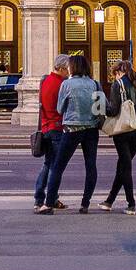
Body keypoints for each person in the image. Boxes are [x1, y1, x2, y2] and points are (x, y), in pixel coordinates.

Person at [41, 55, 103, 215]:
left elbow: (60, 109)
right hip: (91, 129)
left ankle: (48, 204)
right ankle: (85, 204)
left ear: (73, 67)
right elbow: (102, 108)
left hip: (71, 129)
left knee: (58, 167)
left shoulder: (67, 84)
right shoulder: (95, 84)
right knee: (91, 166)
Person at [100, 60, 136, 215]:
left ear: (118, 72)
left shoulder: (118, 85)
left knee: (125, 168)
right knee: (122, 166)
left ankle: (131, 204)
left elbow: (114, 110)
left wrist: (102, 106)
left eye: (114, 74)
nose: (114, 77)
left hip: (123, 131)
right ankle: (109, 201)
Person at [33, 55, 72, 214]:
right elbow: (63, 108)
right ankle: (46, 200)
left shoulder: (46, 81)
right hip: (57, 128)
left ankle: (43, 198)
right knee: (54, 167)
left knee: (48, 164)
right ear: (62, 68)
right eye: (68, 69)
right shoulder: (61, 84)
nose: (69, 72)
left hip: (46, 127)